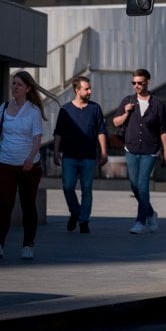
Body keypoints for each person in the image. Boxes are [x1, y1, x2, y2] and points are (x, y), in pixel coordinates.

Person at [0, 70, 45, 261]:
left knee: (28, 205)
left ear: (27, 88)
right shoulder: (3, 108)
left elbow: (37, 138)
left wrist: (30, 158)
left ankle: (28, 245)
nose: (15, 87)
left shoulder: (33, 111)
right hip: (5, 163)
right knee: (5, 204)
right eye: (13, 83)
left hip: (29, 167)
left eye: (19, 84)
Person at [112, 68, 166, 234]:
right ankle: (151, 213)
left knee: (143, 186)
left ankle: (140, 221)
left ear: (147, 82)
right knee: (134, 186)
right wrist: (126, 112)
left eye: (140, 83)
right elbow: (116, 122)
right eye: (134, 83)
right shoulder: (128, 100)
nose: (136, 86)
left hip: (150, 150)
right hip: (131, 149)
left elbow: (163, 130)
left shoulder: (158, 104)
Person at [53, 75, 109, 233]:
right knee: (68, 186)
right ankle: (75, 212)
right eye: (86, 89)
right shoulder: (65, 110)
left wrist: (104, 152)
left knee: (87, 190)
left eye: (89, 88)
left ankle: (84, 221)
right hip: (69, 156)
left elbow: (101, 131)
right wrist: (56, 152)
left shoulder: (95, 108)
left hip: (89, 156)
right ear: (77, 91)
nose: (90, 91)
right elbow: (58, 133)